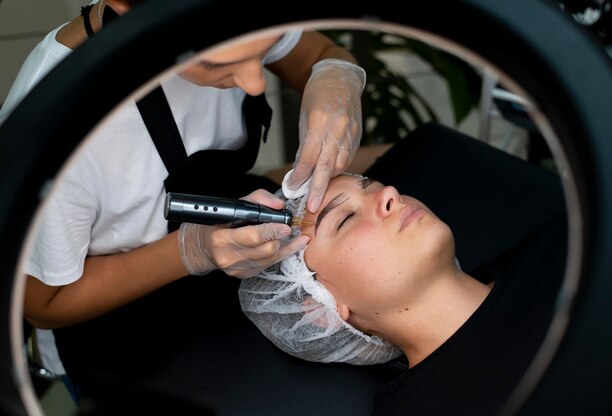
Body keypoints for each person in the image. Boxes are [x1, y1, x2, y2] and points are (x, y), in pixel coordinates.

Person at [2, 0, 368, 403]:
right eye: (217, 64)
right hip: (117, 334)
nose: (255, 82)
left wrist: (336, 75)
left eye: (261, 49)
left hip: (223, 293)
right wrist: (189, 250)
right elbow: (42, 303)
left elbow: (317, 52)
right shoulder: (55, 131)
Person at [239, 171, 568, 415]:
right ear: (317, 308)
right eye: (345, 219)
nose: (390, 193)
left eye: (374, 186)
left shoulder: (573, 240)